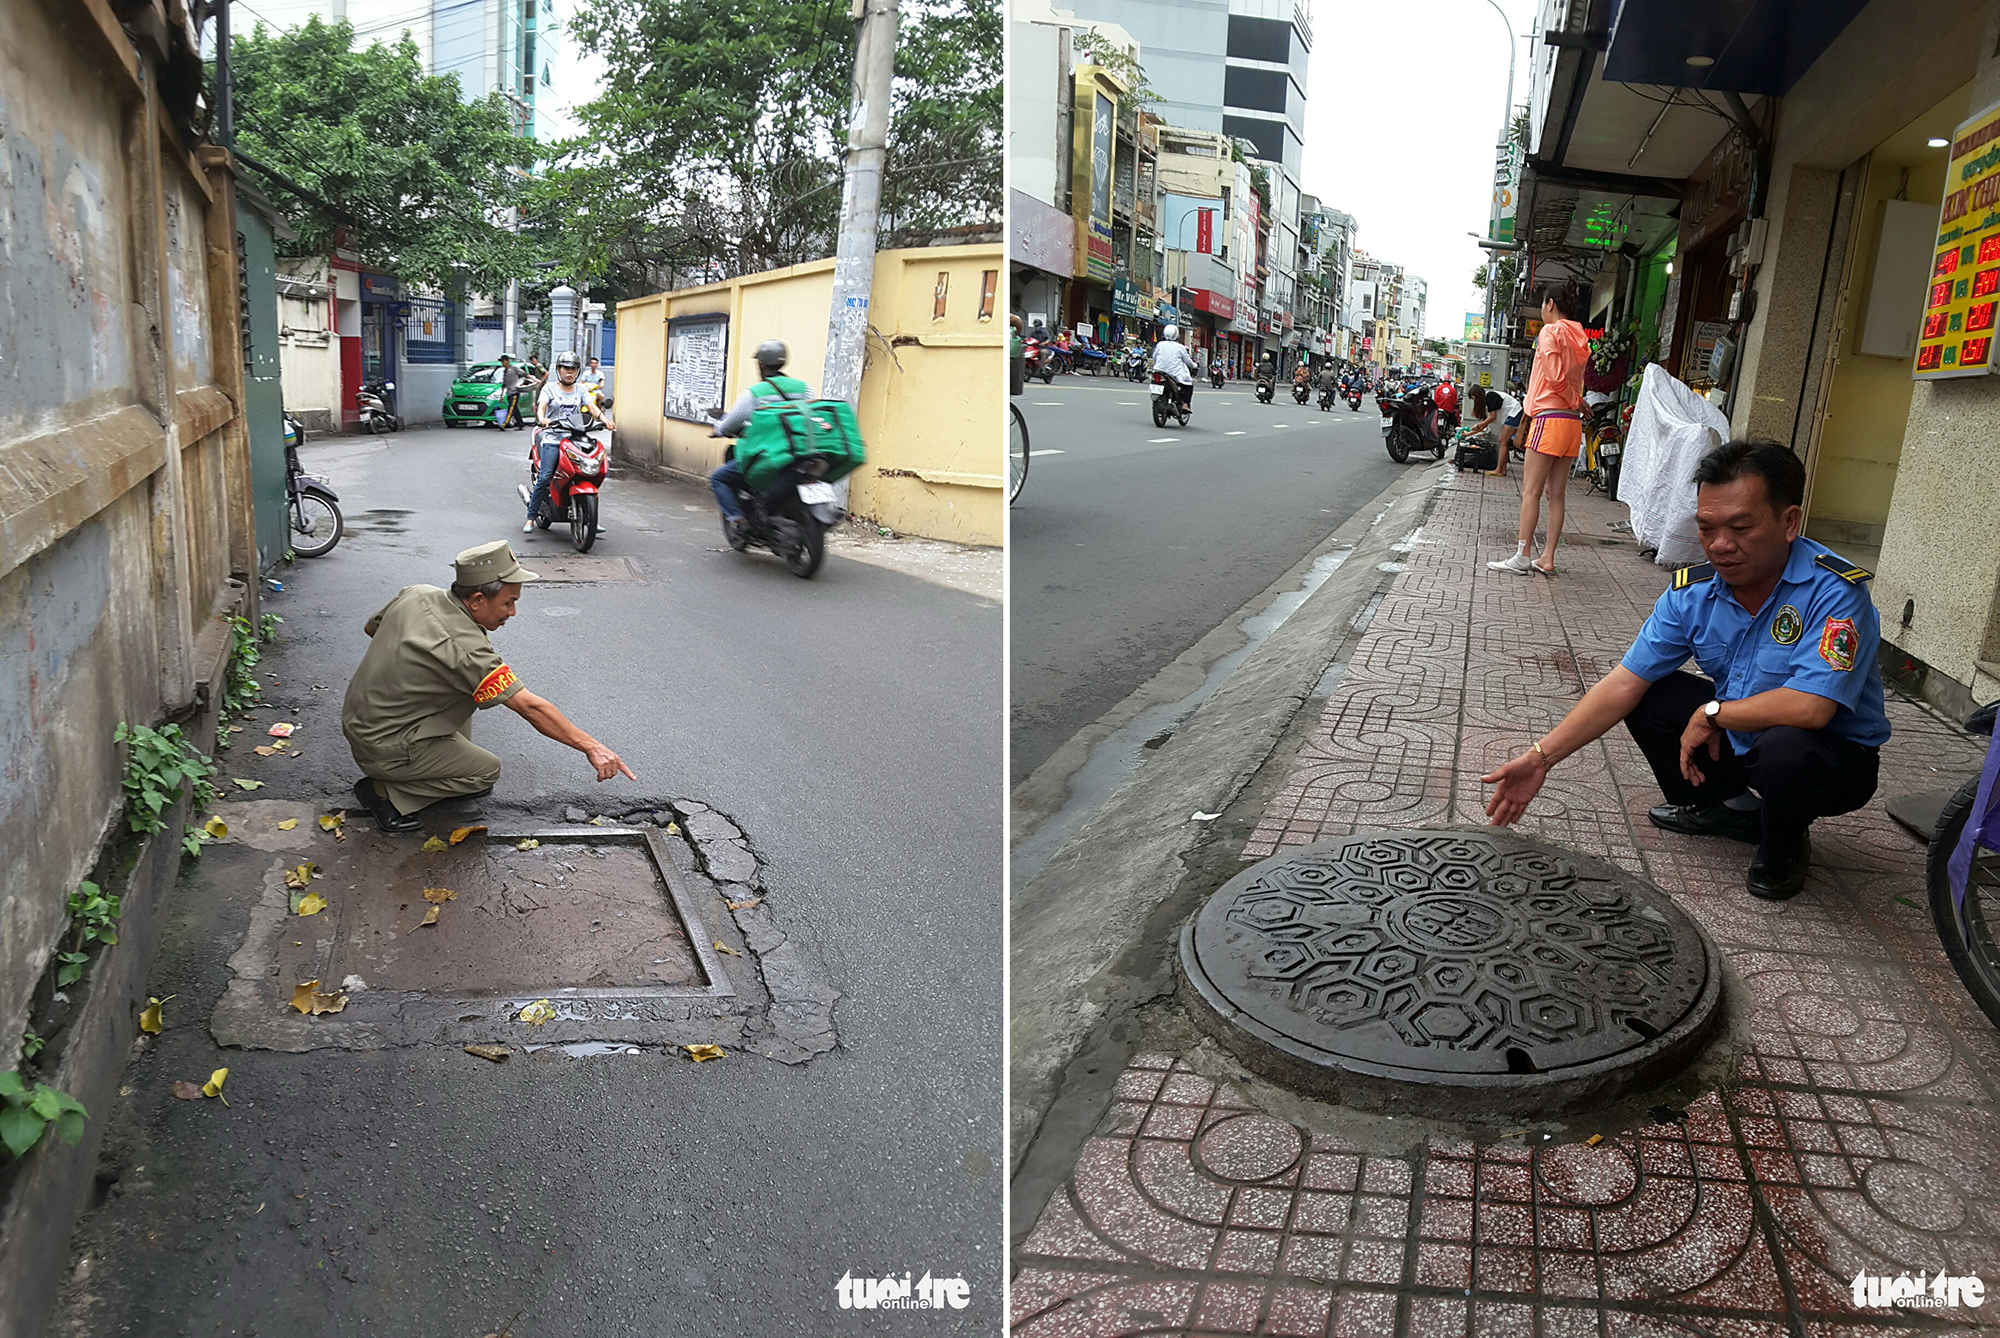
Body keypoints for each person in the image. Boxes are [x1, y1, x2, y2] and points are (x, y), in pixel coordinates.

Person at [1482, 440, 1888, 900]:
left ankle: (1784, 839)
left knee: (1787, 749)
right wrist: (1540, 758)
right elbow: (1622, 683)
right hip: (1742, 735)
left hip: (1832, 757)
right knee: (1650, 696)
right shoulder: (1692, 594)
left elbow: (1812, 707)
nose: (1720, 545)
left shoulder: (1834, 592)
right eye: (1706, 527)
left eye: (1741, 527)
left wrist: (1712, 715)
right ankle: (1731, 808)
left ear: (1789, 522)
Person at [342, 541, 636, 833]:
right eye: (509, 602)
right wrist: (592, 747)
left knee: (467, 691)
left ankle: (421, 763)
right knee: (484, 773)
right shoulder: (468, 652)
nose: (512, 612)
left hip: (361, 718)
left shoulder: (417, 593)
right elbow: (530, 707)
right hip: (383, 745)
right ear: (477, 600)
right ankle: (385, 794)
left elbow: (372, 628)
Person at [1490, 281, 1590, 575]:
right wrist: (1578, 402)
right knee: (1556, 495)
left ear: (1549, 305)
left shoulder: (1551, 332)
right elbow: (1568, 379)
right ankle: (1547, 558)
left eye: (1542, 306)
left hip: (1549, 419)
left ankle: (1522, 555)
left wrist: (1574, 398)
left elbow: (1556, 377)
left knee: (1531, 492)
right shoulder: (1580, 337)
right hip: (1571, 423)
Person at [706, 339, 810, 536]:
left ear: (761, 364)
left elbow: (730, 424)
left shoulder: (754, 393)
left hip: (768, 457)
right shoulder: (803, 388)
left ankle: (739, 519)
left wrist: (719, 429)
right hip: (800, 454)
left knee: (718, 478)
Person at [524, 352, 616, 535]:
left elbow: (592, 408)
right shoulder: (549, 388)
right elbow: (542, 407)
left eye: (573, 369)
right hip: (552, 437)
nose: (569, 372)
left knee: (589, 472)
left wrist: (605, 420)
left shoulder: (581, 390)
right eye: (566, 368)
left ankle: (591, 516)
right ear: (559, 370)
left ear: (577, 371)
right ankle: (531, 517)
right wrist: (542, 419)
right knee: (545, 477)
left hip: (573, 438)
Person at [1149, 322, 1197, 413]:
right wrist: (1194, 365)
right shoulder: (1180, 347)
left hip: (1158, 371)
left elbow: (1154, 357)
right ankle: (1185, 404)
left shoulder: (1160, 344)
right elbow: (1188, 361)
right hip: (1174, 374)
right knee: (1188, 385)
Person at [498, 355, 521, 429]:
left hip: (514, 392)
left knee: (511, 409)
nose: (502, 363)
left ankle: (505, 423)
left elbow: (524, 374)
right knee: (515, 409)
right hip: (509, 393)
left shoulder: (514, 368)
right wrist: (501, 396)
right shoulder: (505, 371)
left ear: (507, 361)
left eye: (503, 361)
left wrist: (534, 380)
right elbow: (504, 384)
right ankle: (520, 423)